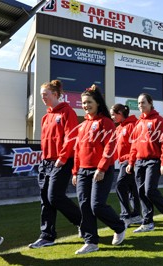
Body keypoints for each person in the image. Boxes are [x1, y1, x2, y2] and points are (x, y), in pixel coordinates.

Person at [72, 85, 126, 255]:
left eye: (89, 102)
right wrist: (75, 171)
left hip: (101, 170)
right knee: (84, 206)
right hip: (82, 171)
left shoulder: (106, 122)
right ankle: (91, 242)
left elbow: (110, 148)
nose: (85, 105)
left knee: (96, 205)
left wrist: (101, 168)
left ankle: (119, 226)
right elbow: (78, 150)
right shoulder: (82, 126)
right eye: (83, 103)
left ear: (97, 103)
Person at [29, 80, 82, 249]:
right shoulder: (46, 116)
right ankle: (47, 236)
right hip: (46, 162)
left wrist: (63, 157)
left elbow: (71, 137)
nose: (43, 98)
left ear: (55, 94)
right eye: (41, 95)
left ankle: (83, 221)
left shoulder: (67, 112)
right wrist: (44, 159)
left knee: (55, 196)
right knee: (45, 199)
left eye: (45, 94)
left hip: (62, 162)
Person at [126, 93, 163, 233]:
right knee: (141, 192)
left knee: (149, 190)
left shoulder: (159, 120)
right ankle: (147, 223)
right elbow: (134, 144)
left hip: (153, 161)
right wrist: (131, 162)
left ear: (150, 103)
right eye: (139, 103)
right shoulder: (138, 123)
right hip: (139, 162)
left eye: (143, 102)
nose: (140, 105)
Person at [110, 104, 142, 227]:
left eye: (113, 114)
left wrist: (131, 161)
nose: (112, 117)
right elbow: (117, 148)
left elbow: (136, 145)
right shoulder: (119, 128)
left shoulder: (132, 125)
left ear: (120, 113)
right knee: (132, 189)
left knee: (120, 185)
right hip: (124, 162)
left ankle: (126, 215)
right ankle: (136, 215)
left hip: (131, 161)